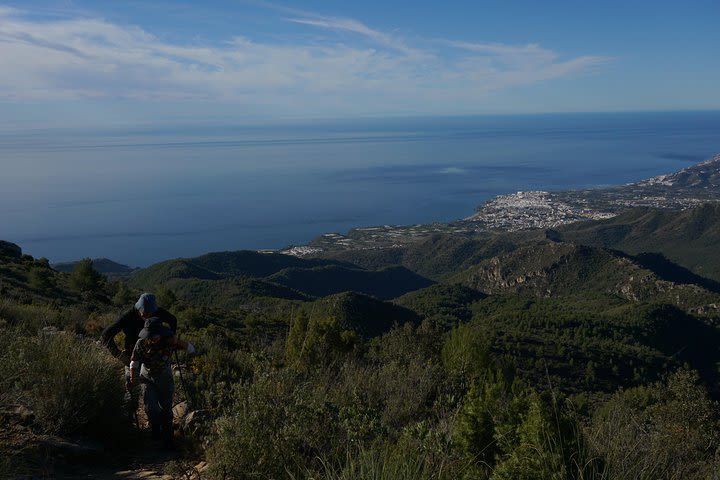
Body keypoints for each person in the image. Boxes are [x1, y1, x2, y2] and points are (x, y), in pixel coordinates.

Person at [129, 317, 195, 448]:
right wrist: (132, 378)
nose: (154, 338)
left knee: (166, 409)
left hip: (165, 377)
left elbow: (191, 349)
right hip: (146, 377)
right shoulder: (140, 343)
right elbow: (134, 362)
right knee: (151, 407)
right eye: (151, 335)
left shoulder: (169, 341)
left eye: (156, 335)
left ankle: (168, 438)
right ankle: (155, 427)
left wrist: (178, 341)